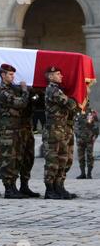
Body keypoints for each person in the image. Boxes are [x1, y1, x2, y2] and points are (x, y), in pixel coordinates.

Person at [42, 66, 78, 199]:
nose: (61, 76)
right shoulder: (52, 90)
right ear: (50, 77)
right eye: (58, 74)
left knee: (63, 159)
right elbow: (70, 104)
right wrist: (74, 99)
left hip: (62, 129)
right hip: (53, 130)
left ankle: (59, 187)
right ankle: (50, 190)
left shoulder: (59, 90)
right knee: (52, 160)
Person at [0, 64, 29, 198]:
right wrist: (25, 91)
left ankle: (14, 187)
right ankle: (9, 188)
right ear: (3, 75)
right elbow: (20, 103)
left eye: (13, 74)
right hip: (7, 129)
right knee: (8, 158)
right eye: (10, 74)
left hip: (16, 128)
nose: (12, 77)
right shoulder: (2, 90)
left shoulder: (12, 89)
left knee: (16, 158)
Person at [75, 101, 99, 179]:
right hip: (79, 139)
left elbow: (96, 125)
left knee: (89, 156)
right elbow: (75, 125)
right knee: (81, 157)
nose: (81, 104)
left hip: (89, 138)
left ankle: (89, 173)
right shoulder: (77, 113)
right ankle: (82, 173)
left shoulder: (91, 113)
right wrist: (76, 135)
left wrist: (95, 135)